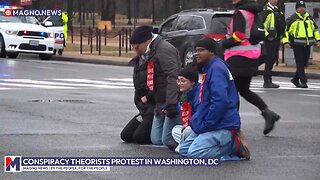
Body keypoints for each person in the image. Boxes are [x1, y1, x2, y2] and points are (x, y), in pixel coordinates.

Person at [179, 38, 250, 160]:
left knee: (194, 153)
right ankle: (221, 144)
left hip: (222, 125)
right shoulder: (210, 68)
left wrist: (207, 125)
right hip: (208, 123)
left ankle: (235, 146)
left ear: (212, 52)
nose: (196, 54)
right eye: (195, 51)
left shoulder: (217, 69)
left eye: (201, 50)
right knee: (183, 150)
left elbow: (220, 102)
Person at [222, 0, 280, 135]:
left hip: (238, 58)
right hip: (251, 56)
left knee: (232, 92)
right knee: (244, 90)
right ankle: (267, 113)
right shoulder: (253, 12)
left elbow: (239, 35)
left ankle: (232, 125)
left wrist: (224, 43)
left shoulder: (240, 13)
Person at [129, 25, 182, 150]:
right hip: (159, 103)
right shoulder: (151, 50)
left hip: (170, 102)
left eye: (137, 46)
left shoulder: (163, 50)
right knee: (156, 139)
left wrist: (171, 103)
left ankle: (183, 131)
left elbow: (173, 76)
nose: (135, 49)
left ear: (147, 41)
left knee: (164, 140)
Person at [283, 0, 320, 88]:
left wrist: (318, 40)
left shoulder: (309, 18)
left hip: (308, 44)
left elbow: (315, 30)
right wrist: (286, 42)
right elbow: (286, 32)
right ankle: (304, 81)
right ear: (296, 8)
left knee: (304, 63)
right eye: (300, 7)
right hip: (297, 44)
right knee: (300, 63)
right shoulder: (292, 18)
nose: (302, 8)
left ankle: (295, 79)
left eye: (303, 7)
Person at [120, 56, 155, 144]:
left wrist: (147, 98)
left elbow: (158, 87)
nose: (134, 49)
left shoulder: (154, 62)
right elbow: (138, 91)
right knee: (126, 135)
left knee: (139, 137)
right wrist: (140, 104)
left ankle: (155, 131)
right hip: (143, 108)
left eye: (136, 46)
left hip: (153, 109)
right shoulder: (137, 63)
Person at [171, 66, 200, 153]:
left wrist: (189, 125)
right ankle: (186, 143)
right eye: (178, 80)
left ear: (192, 82)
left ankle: (184, 145)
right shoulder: (184, 93)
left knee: (187, 131)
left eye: (183, 81)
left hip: (198, 127)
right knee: (175, 129)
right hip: (189, 126)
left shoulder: (198, 94)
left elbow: (199, 116)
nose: (179, 83)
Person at [259, 0, 286, 88]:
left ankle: (268, 79)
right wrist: (267, 36)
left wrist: (281, 35)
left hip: (276, 38)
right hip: (269, 39)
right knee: (269, 59)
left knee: (273, 59)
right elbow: (261, 24)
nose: (276, 0)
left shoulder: (277, 10)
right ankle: (267, 80)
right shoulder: (265, 10)